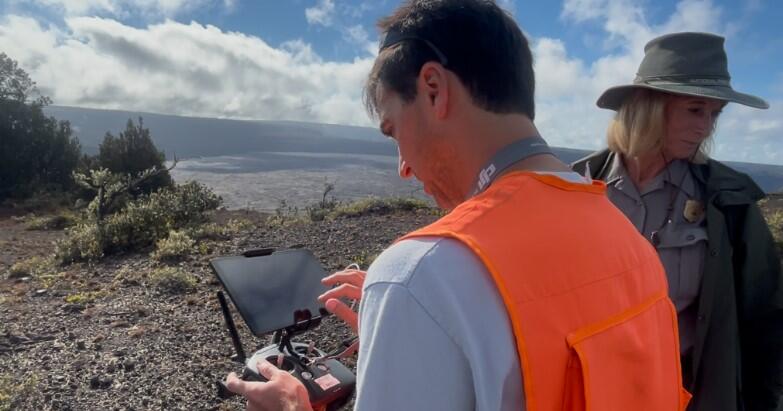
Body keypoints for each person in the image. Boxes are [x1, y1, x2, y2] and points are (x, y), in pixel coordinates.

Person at [225, 1, 690, 410]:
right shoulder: (629, 240)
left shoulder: (421, 275)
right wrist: (418, 328)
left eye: (394, 131)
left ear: (433, 89)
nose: (403, 167)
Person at [573, 32, 783, 411]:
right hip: (589, 391)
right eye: (695, 109)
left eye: (714, 113)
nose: (705, 127)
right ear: (647, 106)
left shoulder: (728, 202)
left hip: (688, 395)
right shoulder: (575, 187)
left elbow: (764, 318)